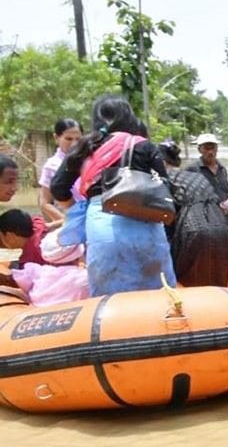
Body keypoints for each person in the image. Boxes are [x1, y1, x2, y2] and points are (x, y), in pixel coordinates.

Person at [50, 94, 176, 297]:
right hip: (147, 229)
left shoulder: (84, 147)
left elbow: (57, 188)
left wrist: (76, 208)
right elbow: (165, 188)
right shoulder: (145, 146)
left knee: (107, 300)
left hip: (102, 228)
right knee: (161, 296)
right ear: (129, 118)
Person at [158, 140, 228, 287]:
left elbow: (164, 224)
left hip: (191, 233)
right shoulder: (197, 176)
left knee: (187, 288)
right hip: (221, 232)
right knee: (217, 287)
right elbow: (218, 212)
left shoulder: (162, 181)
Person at [38, 118, 82, 225]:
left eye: (78, 139)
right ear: (56, 138)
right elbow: (45, 203)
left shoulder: (88, 161)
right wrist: (68, 221)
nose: (74, 144)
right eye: (68, 139)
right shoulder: (52, 166)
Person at [185, 133, 228, 215]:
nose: (210, 152)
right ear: (199, 150)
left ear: (217, 149)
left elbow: (227, 192)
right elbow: (186, 197)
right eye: (206, 148)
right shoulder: (192, 169)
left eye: (213, 148)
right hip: (203, 217)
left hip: (224, 216)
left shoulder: (222, 169)